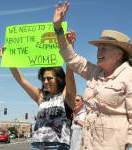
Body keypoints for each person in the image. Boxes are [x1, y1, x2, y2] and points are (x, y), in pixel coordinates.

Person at [52, 1, 132, 150]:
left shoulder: (129, 75)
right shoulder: (95, 72)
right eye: (98, 48)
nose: (98, 52)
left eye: (104, 48)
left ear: (119, 54)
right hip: (89, 144)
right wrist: (58, 28)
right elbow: (71, 58)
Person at [0, 45, 76, 149]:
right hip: (36, 145)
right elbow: (21, 80)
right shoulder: (41, 96)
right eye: (43, 79)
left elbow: (69, 75)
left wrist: (69, 47)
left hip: (57, 145)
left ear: (59, 79)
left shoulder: (66, 96)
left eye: (49, 78)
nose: (45, 82)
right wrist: (8, 58)